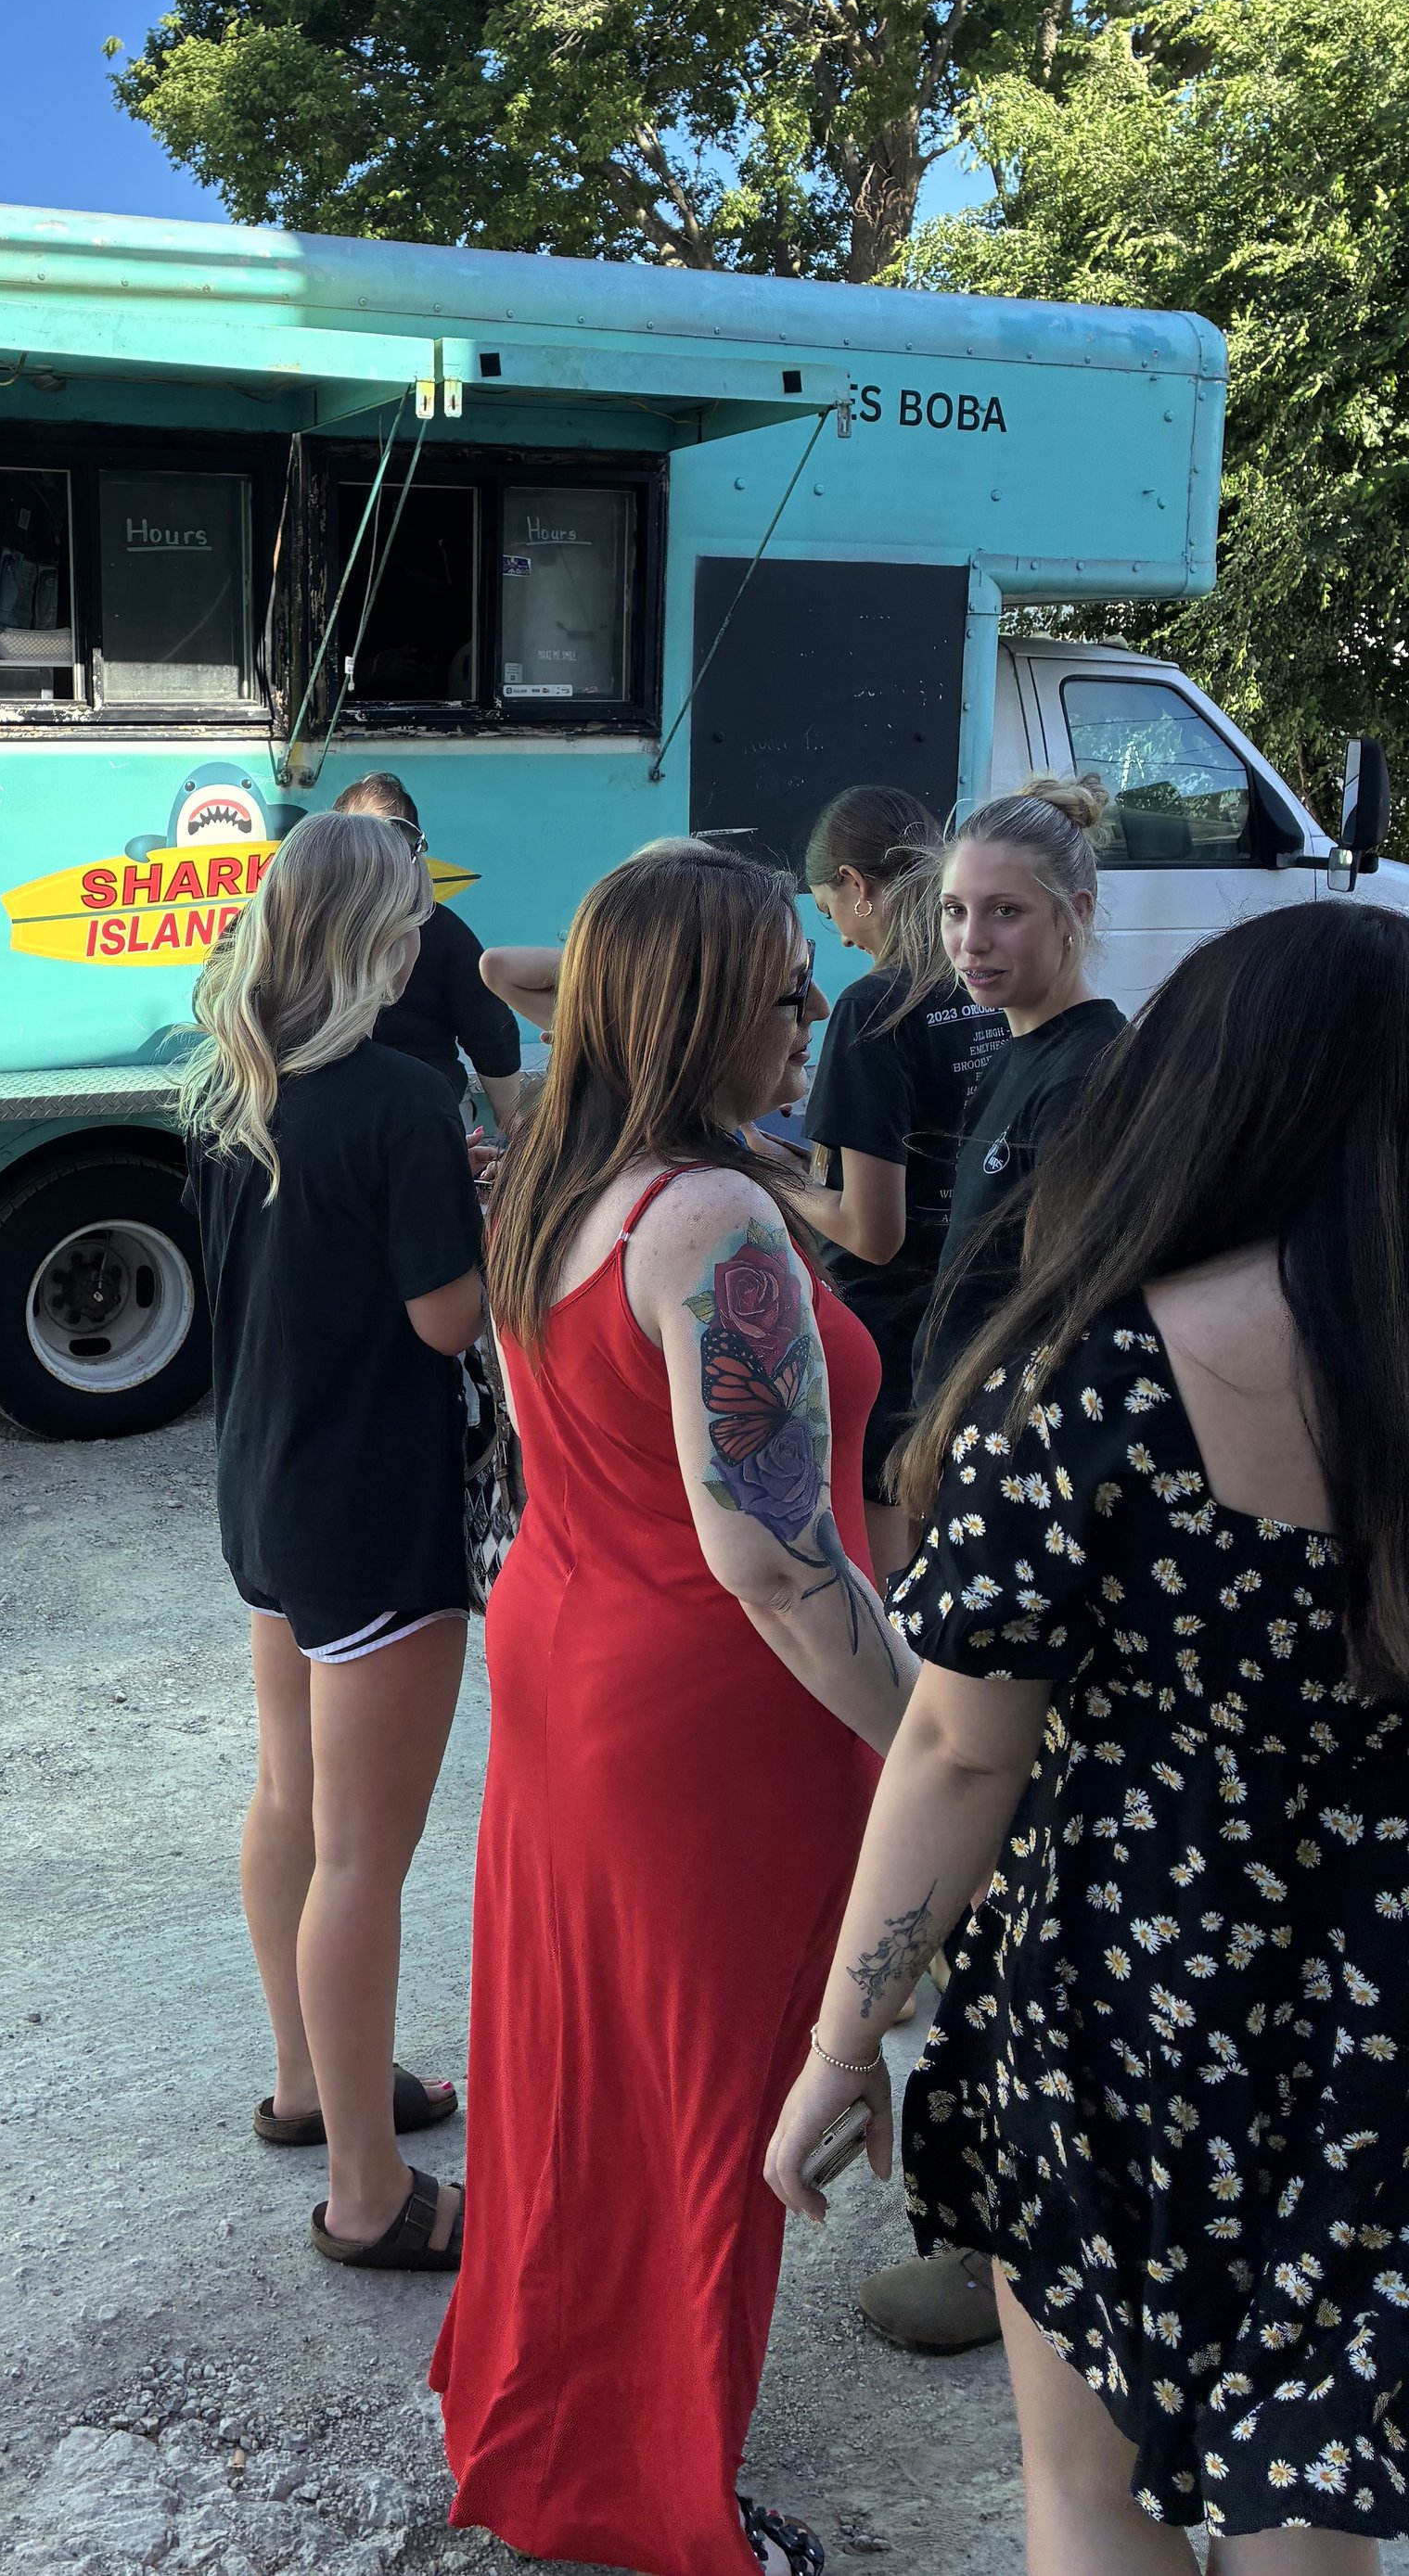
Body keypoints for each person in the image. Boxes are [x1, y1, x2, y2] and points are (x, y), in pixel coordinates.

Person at [765, 900, 1409, 2570]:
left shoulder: (1098, 1371)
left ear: (1204, 1095)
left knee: (1093, 2487)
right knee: (1313, 2483)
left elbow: (957, 1746)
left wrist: (842, 2041)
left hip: (1133, 1988)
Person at [433, 840, 916, 2576]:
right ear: (707, 1003)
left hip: (572, 1656)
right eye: (788, 986)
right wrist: (935, 1732)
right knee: (710, 2109)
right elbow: (779, 1564)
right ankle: (657, 2500)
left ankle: (559, 2428)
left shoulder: (561, 1178)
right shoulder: (710, 1221)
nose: (813, 1013)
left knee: (583, 2084)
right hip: (709, 1712)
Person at [181, 808, 485, 2272]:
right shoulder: (406, 1099)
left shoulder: (239, 1094)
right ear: (385, 937)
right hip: (375, 1509)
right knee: (366, 1855)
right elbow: (447, 1322)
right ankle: (370, 2192)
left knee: (290, 1804)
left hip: (268, 1498)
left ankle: (312, 2085)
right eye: (416, 910)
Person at [791, 783, 1010, 1582]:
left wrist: (774, 1178)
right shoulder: (987, 987)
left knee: (895, 1585)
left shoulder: (873, 1006)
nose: (840, 936)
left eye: (828, 910)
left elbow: (869, 1230)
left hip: (889, 1328)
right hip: (983, 1304)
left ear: (858, 885)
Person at [909, 773, 1124, 1405]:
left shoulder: (1089, 1074)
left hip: (1004, 1446)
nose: (971, 941)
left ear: (1075, 912)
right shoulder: (1021, 1050)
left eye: (1005, 911)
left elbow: (1070, 1308)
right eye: (955, 910)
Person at [332, 770, 526, 1140]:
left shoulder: (441, 928)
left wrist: (513, 1127)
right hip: (319, 1108)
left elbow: (491, 1031)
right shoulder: (282, 921)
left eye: (393, 841)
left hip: (423, 1112)